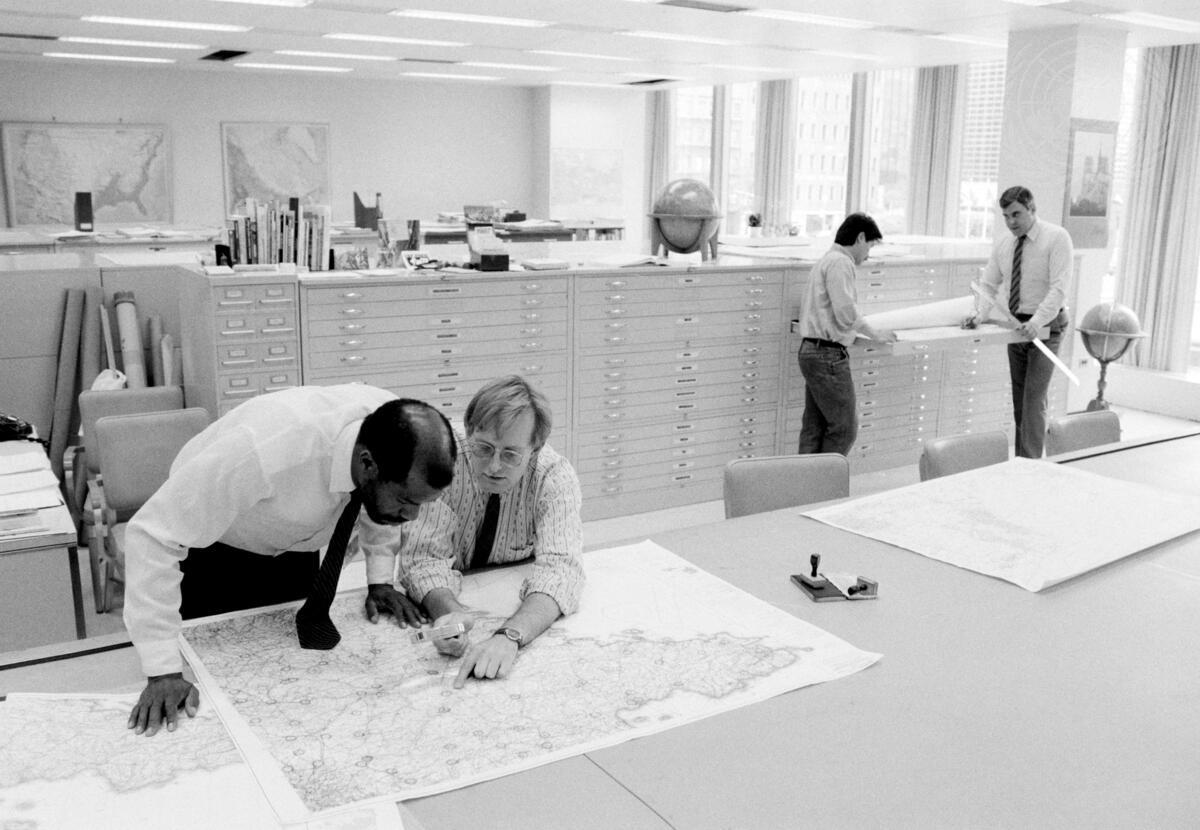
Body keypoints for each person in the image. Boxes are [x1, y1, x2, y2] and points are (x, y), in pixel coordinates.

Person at [124, 385, 456, 737]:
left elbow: (374, 500)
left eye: (421, 504)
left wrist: (379, 580)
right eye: (406, 502)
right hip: (217, 551)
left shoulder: (391, 431)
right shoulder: (264, 449)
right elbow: (153, 534)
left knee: (289, 694)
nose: (412, 517)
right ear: (366, 464)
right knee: (216, 707)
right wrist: (162, 670)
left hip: (296, 549)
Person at [365, 375, 584, 689]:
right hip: (462, 595)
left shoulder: (554, 476)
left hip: (505, 598)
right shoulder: (440, 461)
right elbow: (424, 562)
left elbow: (561, 572)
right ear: (469, 432)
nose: (494, 466)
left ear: (534, 449)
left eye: (510, 454)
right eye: (483, 448)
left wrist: (509, 637)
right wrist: (450, 614)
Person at [963, 186, 1073, 458]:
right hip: (1016, 326)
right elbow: (989, 285)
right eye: (1005, 216)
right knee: (1019, 400)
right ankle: (1023, 461)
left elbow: (1059, 288)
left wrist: (1036, 322)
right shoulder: (1004, 244)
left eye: (1016, 214)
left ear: (1032, 209)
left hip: (1047, 325)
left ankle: (1031, 464)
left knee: (1033, 401)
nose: (1011, 222)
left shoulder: (1056, 238)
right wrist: (979, 314)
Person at [796, 212, 897, 455]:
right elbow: (844, 310)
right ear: (860, 238)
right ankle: (827, 477)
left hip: (813, 351)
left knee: (815, 427)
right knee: (845, 429)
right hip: (827, 356)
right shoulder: (841, 262)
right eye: (870, 246)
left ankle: (804, 478)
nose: (868, 254)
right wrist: (874, 334)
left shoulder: (827, 259)